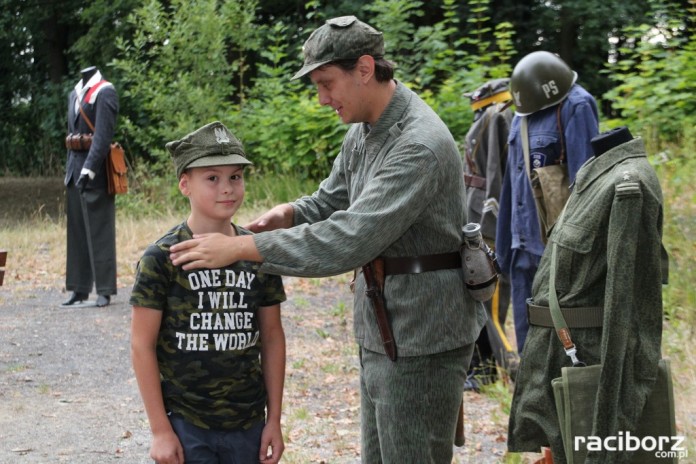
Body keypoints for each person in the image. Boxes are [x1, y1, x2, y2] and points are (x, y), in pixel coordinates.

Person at [170, 16, 487, 463]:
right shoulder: (365, 129)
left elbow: (351, 237)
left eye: (326, 83)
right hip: (385, 327)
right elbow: (333, 200)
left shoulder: (418, 145)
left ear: (363, 68)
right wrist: (290, 213)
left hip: (423, 337)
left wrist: (243, 248)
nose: (322, 100)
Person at [508, 126, 669, 463]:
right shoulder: (592, 175)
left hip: (586, 360)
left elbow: (629, 305)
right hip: (557, 356)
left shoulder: (628, 185)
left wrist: (609, 425)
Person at [129, 121, 287, 464]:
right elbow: (142, 344)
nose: (227, 188)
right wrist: (160, 430)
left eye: (235, 176)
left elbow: (273, 337)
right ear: (185, 184)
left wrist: (273, 419)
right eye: (212, 178)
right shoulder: (163, 258)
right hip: (186, 425)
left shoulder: (257, 252)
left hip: (249, 424)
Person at [495, 51, 599, 353]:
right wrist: (501, 254)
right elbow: (511, 188)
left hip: (557, 253)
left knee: (568, 349)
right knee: (530, 350)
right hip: (521, 251)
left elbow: (588, 186)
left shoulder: (576, 106)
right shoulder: (520, 114)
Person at [462, 78, 517, 390]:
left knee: (491, 304)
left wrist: (490, 222)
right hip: (474, 210)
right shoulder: (491, 116)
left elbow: (496, 171)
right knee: (478, 299)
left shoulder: (496, 116)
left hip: (485, 216)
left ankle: (512, 368)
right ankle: (482, 369)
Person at [62, 66, 119, 308]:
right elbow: (72, 132)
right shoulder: (75, 92)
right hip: (74, 171)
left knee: (100, 232)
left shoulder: (104, 92)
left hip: (94, 172)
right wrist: (73, 171)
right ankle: (79, 288)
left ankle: (104, 290)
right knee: (76, 232)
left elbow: (104, 136)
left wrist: (90, 168)